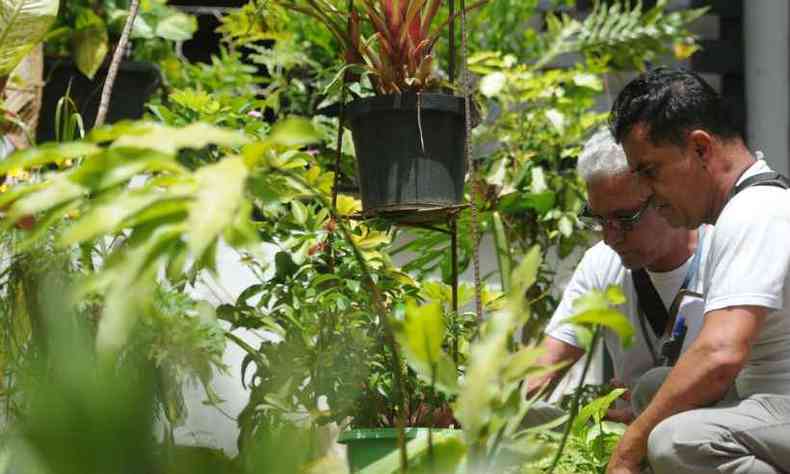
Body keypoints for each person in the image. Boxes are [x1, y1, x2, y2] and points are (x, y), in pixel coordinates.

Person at [606, 67, 790, 474]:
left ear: (701, 149)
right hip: (768, 406)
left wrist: (626, 451)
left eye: (650, 171)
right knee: (655, 388)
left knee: (680, 440)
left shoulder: (756, 211)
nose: (646, 193)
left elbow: (721, 354)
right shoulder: (740, 211)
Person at [530, 129, 710, 424]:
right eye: (599, 220)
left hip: (703, 432)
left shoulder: (722, 250)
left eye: (625, 219)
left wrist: (652, 416)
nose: (610, 237)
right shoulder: (601, 262)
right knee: (535, 420)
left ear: (662, 194)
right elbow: (545, 369)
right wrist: (477, 415)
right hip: (623, 433)